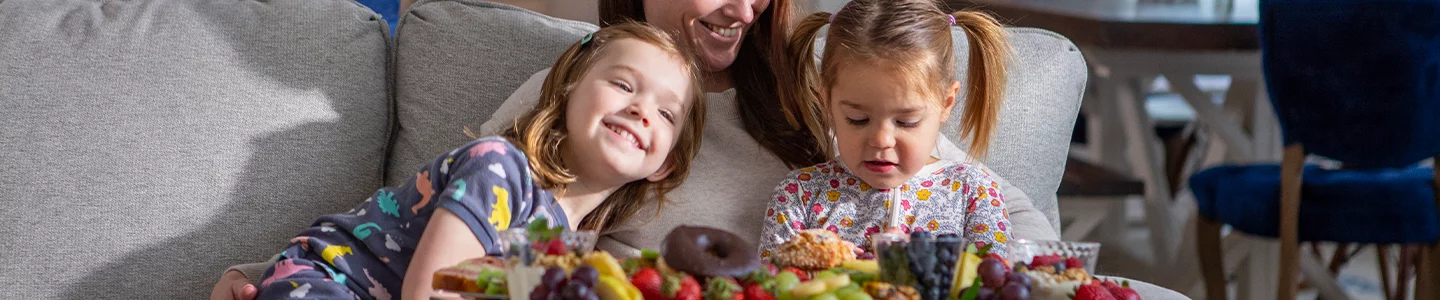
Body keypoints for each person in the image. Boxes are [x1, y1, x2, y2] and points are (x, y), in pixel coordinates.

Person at [212, 1, 1059, 298]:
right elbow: (436, 230)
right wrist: (273, 272)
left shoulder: (835, 100)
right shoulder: (570, 93)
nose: (742, 8)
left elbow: (992, 210)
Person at [251, 22, 707, 300]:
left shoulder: (572, 244)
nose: (641, 110)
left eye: (666, 113)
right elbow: (432, 289)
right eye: (624, 85)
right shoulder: (500, 168)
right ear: (567, 91)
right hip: (323, 284)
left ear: (666, 164)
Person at [758, 0, 1012, 257]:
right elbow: (764, 288)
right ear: (827, 103)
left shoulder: (973, 193)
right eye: (857, 119)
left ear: (946, 103)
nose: (881, 140)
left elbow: (999, 283)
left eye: (906, 122)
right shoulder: (800, 195)